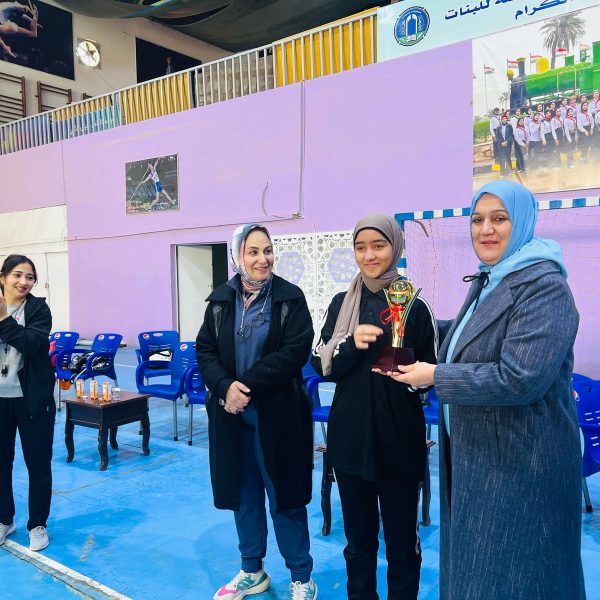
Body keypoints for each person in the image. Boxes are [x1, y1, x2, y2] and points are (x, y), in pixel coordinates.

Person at [387, 181, 584, 599]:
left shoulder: (544, 287)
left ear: (522, 222)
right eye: (477, 220)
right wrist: (411, 326)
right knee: (481, 573)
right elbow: (468, 338)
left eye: (499, 218)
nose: (485, 229)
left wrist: (435, 376)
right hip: (480, 456)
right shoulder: (490, 279)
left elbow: (520, 378)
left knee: (519, 577)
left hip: (522, 466)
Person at [312, 214, 437, 600]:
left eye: (378, 246)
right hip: (350, 442)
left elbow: (432, 372)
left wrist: (410, 372)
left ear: (395, 248)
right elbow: (321, 363)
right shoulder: (341, 304)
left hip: (399, 441)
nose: (369, 255)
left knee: (402, 546)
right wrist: (352, 343)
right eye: (360, 247)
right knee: (358, 543)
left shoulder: (415, 306)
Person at [196, 224, 317, 600]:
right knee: (244, 495)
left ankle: (302, 577)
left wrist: (243, 387)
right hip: (232, 417)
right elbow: (205, 350)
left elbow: (295, 352)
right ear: (238, 257)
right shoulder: (220, 301)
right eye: (253, 252)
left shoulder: (289, 298)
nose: (263, 259)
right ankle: (252, 570)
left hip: (277, 416)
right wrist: (224, 387)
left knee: (285, 497)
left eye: (267, 251)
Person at [0, 254, 55, 552]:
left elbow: (34, 345)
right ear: (3, 277)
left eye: (30, 277)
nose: (23, 282)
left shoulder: (38, 309)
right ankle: (4, 519)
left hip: (32, 399)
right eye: (17, 275)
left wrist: (3, 319)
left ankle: (37, 524)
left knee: (38, 462)